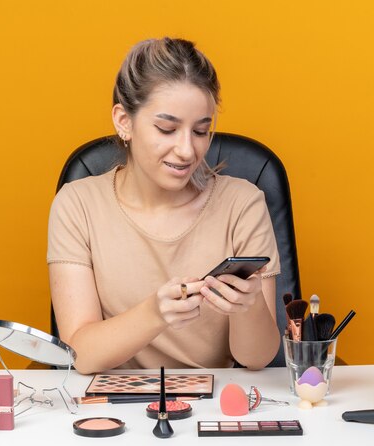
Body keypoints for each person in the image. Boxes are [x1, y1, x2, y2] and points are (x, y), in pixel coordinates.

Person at [47, 37, 281, 374]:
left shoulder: (243, 204)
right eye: (166, 129)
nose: (187, 150)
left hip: (214, 406)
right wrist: (154, 315)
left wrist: (248, 306)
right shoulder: (77, 205)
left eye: (201, 131)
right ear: (124, 121)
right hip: (114, 403)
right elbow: (79, 355)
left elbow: (256, 358)